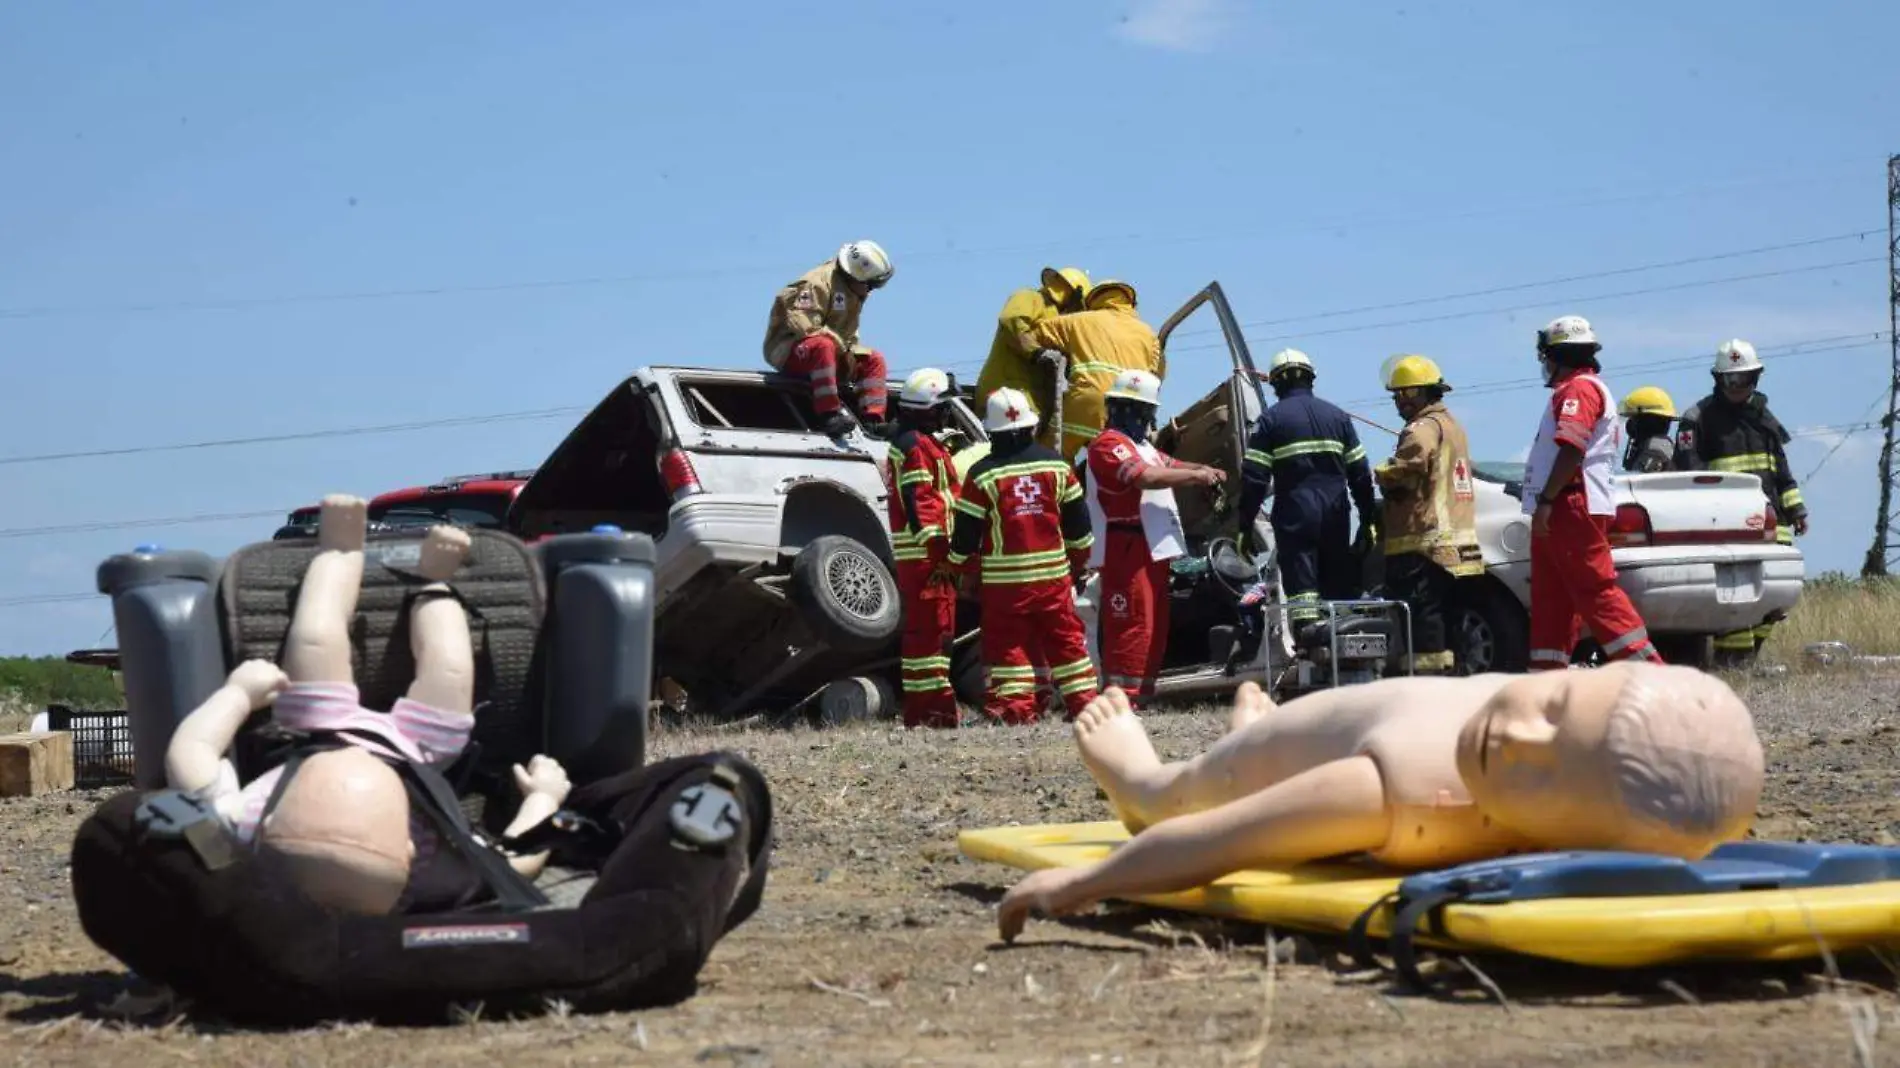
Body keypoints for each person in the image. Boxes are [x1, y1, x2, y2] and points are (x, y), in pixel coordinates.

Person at [993, 662, 1765, 942]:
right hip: (1342, 721)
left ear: (1558, 847)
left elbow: (1215, 839)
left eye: (1543, 776)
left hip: (1281, 768)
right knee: (1192, 780)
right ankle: (1243, 732)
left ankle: (1138, 768)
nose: (1515, 734)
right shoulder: (1535, 733)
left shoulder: (1405, 792)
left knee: (1168, 799)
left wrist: (1083, 884)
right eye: (1557, 700)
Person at [164, 494, 572, 915]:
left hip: (318, 731)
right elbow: (514, 862)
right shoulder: (432, 873)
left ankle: (338, 553)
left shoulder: (236, 831)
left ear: (264, 830)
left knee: (314, 637)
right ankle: (434, 582)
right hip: (413, 754)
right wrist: (545, 798)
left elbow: (188, 754)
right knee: (450, 667)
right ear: (409, 851)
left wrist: (238, 694)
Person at [947, 387, 1101, 724]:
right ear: (1031, 426)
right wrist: (1076, 565)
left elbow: (965, 537)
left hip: (1005, 586)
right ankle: (1086, 707)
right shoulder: (1059, 466)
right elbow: (1080, 529)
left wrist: (961, 570)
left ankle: (1017, 710)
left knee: (1008, 647)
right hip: (1052, 579)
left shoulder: (983, 474)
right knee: (1066, 645)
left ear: (992, 431)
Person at [1521, 315, 1664, 671]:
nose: (1545, 365)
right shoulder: (1574, 390)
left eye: (1547, 357)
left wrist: (1548, 500)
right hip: (1561, 506)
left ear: (1558, 356)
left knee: (1596, 594)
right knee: (1552, 601)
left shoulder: (1578, 390)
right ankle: (1546, 685)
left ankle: (1654, 676)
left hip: (1570, 505)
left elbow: (1571, 447)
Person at [1082, 370, 1226, 705]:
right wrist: (1196, 477)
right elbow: (1145, 477)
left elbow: (1169, 462)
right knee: (1131, 621)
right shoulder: (1108, 444)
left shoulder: (1140, 445)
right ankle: (1123, 697)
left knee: (1153, 623)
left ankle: (1141, 693)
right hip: (1125, 545)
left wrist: (1205, 469)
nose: (1147, 418)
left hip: (1151, 546)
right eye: (1143, 411)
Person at [1673, 339, 1810, 665]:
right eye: (1730, 380)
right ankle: (1732, 666)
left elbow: (1782, 471)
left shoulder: (1765, 419)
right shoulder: (1698, 418)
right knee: (1735, 597)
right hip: (1725, 523)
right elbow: (1687, 471)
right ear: (1718, 379)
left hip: (1771, 521)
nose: (1737, 386)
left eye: (1744, 379)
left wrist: (1797, 508)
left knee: (1776, 598)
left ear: (1756, 378)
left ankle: (1745, 659)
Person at [1237, 348, 1378, 635]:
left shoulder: (1270, 421)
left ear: (1275, 383)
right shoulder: (1338, 417)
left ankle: (1309, 650)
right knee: (1338, 588)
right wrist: (1368, 519)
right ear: (1311, 379)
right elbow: (1361, 474)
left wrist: (1244, 525)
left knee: (1303, 598)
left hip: (1295, 517)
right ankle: (1346, 652)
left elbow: (1254, 479)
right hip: (1337, 515)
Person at [1372, 355, 1482, 675]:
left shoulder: (1421, 428)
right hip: (1461, 544)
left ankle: (1426, 684)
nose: (1399, 402)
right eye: (1396, 395)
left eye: (1404, 394)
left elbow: (1411, 463)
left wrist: (1381, 472)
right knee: (1453, 621)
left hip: (1423, 544)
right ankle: (1456, 677)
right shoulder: (1452, 426)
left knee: (1423, 623)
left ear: (1423, 393)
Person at [884, 368, 965, 729]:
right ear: (929, 408)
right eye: (944, 405)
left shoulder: (920, 443)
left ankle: (925, 709)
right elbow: (922, 503)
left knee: (933, 632)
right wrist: (940, 551)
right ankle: (933, 711)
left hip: (927, 555)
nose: (947, 412)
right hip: (928, 556)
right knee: (932, 633)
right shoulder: (916, 446)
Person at [1016, 279, 1164, 464]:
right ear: (1130, 302)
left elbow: (1032, 335)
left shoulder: (1077, 321)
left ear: (1092, 301)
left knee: (1050, 458)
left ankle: (1065, 490)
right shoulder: (1149, 334)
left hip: (1085, 404)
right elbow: (1157, 376)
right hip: (1129, 412)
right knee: (1121, 460)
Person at [762, 240, 895, 436]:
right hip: (788, 349)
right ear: (855, 276)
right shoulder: (816, 284)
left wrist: (849, 352)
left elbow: (847, 334)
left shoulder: (853, 291)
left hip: (831, 351)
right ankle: (829, 416)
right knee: (823, 345)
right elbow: (805, 326)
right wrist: (840, 346)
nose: (870, 291)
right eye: (870, 285)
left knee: (874, 359)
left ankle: (873, 421)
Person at [976, 267, 1092, 449]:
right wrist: (1036, 352)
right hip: (1005, 393)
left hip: (1034, 404)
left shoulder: (1060, 320)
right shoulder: (1030, 298)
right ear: (1075, 296)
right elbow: (1012, 321)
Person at [1619, 386, 1679, 473]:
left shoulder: (1654, 452)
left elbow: (1642, 484)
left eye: (1633, 418)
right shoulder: (1656, 446)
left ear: (1645, 421)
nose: (1630, 424)